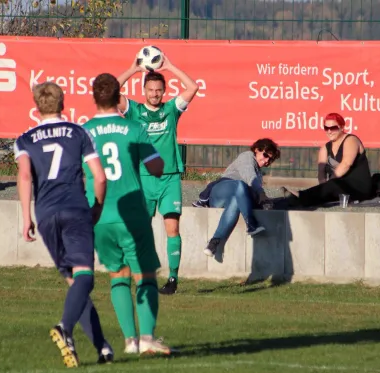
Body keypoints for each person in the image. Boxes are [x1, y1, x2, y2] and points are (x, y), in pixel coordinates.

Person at [14, 82, 113, 367]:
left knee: (76, 283)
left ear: (36, 109)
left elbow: (24, 176)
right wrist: (97, 206)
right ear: (63, 104)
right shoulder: (78, 132)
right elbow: (100, 177)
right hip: (75, 209)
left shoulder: (24, 139)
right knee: (85, 278)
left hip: (45, 215)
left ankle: (102, 347)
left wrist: (26, 218)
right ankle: (64, 328)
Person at [83, 73, 172, 355]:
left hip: (98, 215)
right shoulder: (134, 129)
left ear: (94, 97)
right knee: (145, 275)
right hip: (132, 214)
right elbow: (157, 167)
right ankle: (146, 337)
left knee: (117, 274)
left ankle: (130, 341)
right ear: (119, 97)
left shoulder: (83, 131)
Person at [117, 54, 199, 295]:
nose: (154, 93)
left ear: (164, 91)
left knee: (172, 228)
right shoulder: (134, 110)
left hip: (169, 177)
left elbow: (193, 87)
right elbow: (110, 93)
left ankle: (172, 279)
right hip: (142, 178)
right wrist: (132, 68)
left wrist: (171, 66)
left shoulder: (172, 110)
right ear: (144, 90)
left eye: (158, 90)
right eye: (150, 89)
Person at [196, 139, 280, 257]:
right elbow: (249, 176)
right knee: (240, 185)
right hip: (221, 191)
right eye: (265, 155)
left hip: (234, 198)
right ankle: (251, 224)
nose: (266, 160)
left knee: (236, 201)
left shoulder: (259, 174)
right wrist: (262, 194)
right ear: (257, 150)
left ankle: (214, 242)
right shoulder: (247, 156)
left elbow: (252, 194)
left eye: (270, 159)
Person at [282, 112, 373, 207]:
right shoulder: (325, 148)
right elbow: (321, 172)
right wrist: (323, 184)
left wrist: (329, 182)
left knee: (332, 186)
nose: (329, 131)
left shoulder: (351, 140)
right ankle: (298, 200)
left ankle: (299, 195)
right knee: (326, 191)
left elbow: (346, 164)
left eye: (333, 128)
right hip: (339, 186)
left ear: (342, 127)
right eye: (326, 128)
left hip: (358, 186)